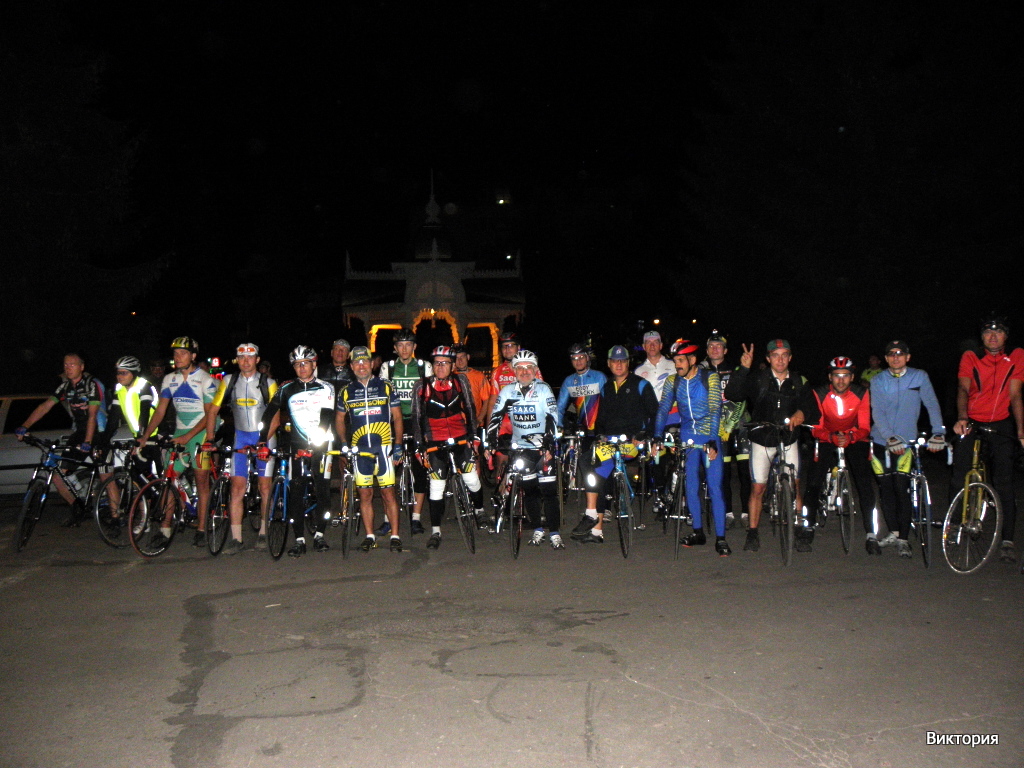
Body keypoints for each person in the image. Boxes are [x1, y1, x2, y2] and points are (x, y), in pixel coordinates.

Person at [724, 339, 812, 552]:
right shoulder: (758, 379)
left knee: (795, 484)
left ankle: (798, 530)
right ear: (768, 358)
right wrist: (743, 369)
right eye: (775, 355)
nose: (780, 360)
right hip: (762, 438)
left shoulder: (799, 380)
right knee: (758, 487)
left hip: (788, 438)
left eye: (784, 355)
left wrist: (801, 412)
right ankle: (753, 533)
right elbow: (733, 394)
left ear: (790, 357)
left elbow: (810, 404)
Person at [951, 313, 1024, 564]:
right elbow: (963, 388)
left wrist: (1021, 432)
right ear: (981, 337)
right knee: (960, 473)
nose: (993, 337)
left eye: (998, 332)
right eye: (987, 332)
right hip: (972, 420)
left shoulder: (1016, 356)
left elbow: (1015, 395)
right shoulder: (971, 356)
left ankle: (1007, 540)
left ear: (1006, 336)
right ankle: (954, 525)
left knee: (1004, 481)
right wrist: (962, 418)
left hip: (1001, 422)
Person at [571, 345, 659, 543]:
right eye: (614, 361)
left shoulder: (641, 384)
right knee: (588, 462)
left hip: (631, 443)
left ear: (628, 363)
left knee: (601, 468)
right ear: (609, 364)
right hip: (610, 442)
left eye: (623, 361)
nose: (619, 365)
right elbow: (601, 418)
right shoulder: (606, 387)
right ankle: (594, 524)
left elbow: (655, 414)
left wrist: (644, 434)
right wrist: (599, 435)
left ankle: (593, 517)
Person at [868, 340, 946, 558]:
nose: (896, 357)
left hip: (907, 441)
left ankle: (903, 538)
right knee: (886, 488)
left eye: (900, 353)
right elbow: (877, 411)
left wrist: (938, 432)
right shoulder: (878, 380)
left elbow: (931, 404)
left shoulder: (919, 376)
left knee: (901, 487)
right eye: (891, 354)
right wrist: (889, 437)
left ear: (908, 357)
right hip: (881, 441)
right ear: (886, 358)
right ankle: (893, 532)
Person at [258, 345, 336, 557]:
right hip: (297, 444)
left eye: (306, 363)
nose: (302, 368)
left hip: (321, 443)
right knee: (296, 490)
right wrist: (262, 440)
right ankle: (299, 539)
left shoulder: (326, 387)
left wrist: (316, 442)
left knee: (322, 488)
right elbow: (269, 413)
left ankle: (319, 534)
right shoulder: (286, 388)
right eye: (297, 364)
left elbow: (326, 417)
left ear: (314, 364)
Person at [654, 340, 730, 556]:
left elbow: (715, 408)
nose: (677, 365)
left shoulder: (709, 377)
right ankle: (698, 532)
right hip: (688, 435)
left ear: (692, 360)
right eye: (675, 361)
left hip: (709, 435)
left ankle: (721, 538)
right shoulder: (673, 381)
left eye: (681, 360)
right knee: (691, 485)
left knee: (715, 487)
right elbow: (663, 409)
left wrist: (713, 440)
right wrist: (657, 436)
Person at [141, 337, 218, 547]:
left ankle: (201, 528)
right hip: (180, 431)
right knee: (169, 478)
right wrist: (145, 436)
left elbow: (209, 415)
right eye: (175, 354)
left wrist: (188, 436)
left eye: (182, 353)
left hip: (201, 432)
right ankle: (165, 529)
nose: (177, 357)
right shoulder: (169, 379)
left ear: (193, 356)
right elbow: (160, 411)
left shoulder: (205, 379)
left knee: (201, 480)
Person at [204, 343, 278, 554]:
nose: (246, 361)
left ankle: (263, 532)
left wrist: (263, 441)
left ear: (257, 359)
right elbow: (213, 410)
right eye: (241, 357)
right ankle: (236, 539)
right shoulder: (229, 381)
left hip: (264, 438)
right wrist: (210, 439)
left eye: (250, 357)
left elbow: (276, 418)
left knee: (265, 487)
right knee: (237, 488)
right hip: (241, 437)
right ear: (237, 359)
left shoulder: (268, 383)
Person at [16, 353, 106, 524]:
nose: (68, 368)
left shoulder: (91, 385)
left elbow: (92, 416)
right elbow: (45, 406)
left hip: (97, 430)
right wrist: (25, 426)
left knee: (104, 473)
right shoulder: (65, 387)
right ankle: (77, 508)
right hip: (80, 431)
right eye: (65, 365)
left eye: (72, 364)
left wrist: (88, 441)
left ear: (81, 367)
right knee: (57, 475)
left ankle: (115, 512)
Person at [411, 346, 484, 549]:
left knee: (471, 479)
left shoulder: (460, 382)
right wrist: (419, 446)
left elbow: (470, 409)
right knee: (436, 487)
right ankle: (436, 531)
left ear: (452, 366)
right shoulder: (422, 386)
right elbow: (416, 418)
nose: (440, 367)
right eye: (437, 363)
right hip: (435, 441)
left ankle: (479, 510)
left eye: (445, 363)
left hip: (460, 437)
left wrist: (474, 437)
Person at [487, 350, 562, 548]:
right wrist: (490, 441)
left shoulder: (544, 389)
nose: (525, 371)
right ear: (514, 371)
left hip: (542, 448)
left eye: (529, 367)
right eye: (520, 368)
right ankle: (537, 529)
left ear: (535, 370)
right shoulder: (507, 391)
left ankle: (554, 533)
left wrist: (549, 443)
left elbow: (553, 417)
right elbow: (495, 417)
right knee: (530, 491)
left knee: (549, 491)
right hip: (521, 448)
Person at [335, 346, 405, 553]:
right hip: (360, 451)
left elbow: (398, 417)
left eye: (365, 361)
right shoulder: (346, 391)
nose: (361, 366)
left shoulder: (386, 386)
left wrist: (398, 445)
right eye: (357, 362)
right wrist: (343, 442)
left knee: (388, 494)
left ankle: (395, 536)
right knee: (365, 495)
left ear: (372, 363)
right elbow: (339, 419)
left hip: (384, 449)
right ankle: (369, 536)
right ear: (351, 366)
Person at [805, 357, 875, 554]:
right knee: (814, 481)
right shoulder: (819, 393)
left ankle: (871, 533)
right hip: (827, 436)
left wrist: (851, 437)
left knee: (864, 482)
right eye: (837, 376)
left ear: (852, 377)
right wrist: (830, 437)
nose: (841, 380)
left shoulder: (861, 393)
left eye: (845, 376)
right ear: (830, 377)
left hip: (853, 437)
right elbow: (815, 427)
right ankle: (808, 525)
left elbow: (865, 426)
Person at [94, 356, 159, 535]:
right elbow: (113, 419)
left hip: (154, 436)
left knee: (148, 477)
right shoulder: (120, 389)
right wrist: (103, 442)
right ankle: (146, 517)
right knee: (137, 477)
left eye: (124, 373)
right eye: (118, 373)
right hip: (140, 438)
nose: (120, 376)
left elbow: (144, 413)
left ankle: (161, 508)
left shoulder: (144, 387)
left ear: (134, 374)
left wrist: (141, 437)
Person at [379, 328, 432, 535]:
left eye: (408, 345)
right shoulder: (388, 367)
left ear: (414, 347)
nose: (404, 349)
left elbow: (430, 397)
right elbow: (381, 398)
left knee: (420, 470)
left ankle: (416, 518)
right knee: (389, 473)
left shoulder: (424, 367)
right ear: (395, 348)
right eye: (400, 345)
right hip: (394, 423)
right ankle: (387, 519)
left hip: (417, 421)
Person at [700, 330, 750, 528]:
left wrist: (730, 425)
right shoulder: (700, 371)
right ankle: (727, 512)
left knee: (745, 471)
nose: (715, 349)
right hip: (715, 429)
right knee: (724, 473)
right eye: (711, 346)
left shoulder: (736, 369)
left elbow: (743, 399)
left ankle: (746, 513)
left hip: (739, 425)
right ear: (706, 350)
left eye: (719, 346)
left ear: (726, 350)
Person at [635, 330, 675, 401]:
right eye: (648, 342)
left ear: (661, 345)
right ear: (644, 346)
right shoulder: (638, 371)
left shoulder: (674, 365)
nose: (652, 345)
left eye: (655, 342)